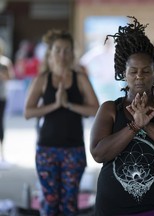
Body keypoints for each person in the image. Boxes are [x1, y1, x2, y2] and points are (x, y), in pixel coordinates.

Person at [90, 16, 154, 216]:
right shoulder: (110, 109)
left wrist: (147, 125)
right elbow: (98, 153)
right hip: (114, 207)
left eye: (146, 71)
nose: (139, 76)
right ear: (123, 73)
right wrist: (133, 127)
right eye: (133, 71)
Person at [24, 29, 99, 216]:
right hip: (46, 149)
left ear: (72, 53)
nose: (62, 55)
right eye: (58, 50)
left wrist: (69, 105)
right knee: (50, 203)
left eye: (67, 50)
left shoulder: (80, 78)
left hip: (74, 149)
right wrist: (55, 105)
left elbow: (95, 109)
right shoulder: (42, 79)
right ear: (50, 53)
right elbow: (28, 112)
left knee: (69, 203)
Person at [0, 37, 14, 163]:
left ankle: (2, 151)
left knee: (0, 123)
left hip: (1, 97)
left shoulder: (4, 62)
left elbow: (10, 77)